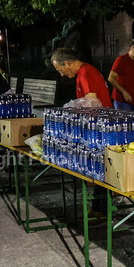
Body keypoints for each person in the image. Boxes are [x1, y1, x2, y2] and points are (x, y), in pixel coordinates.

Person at [50, 48, 112, 222]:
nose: (62, 74)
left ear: (68, 63)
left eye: (61, 70)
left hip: (101, 128)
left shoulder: (85, 73)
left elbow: (92, 103)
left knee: (101, 170)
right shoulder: (84, 73)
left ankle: (103, 211)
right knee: (98, 171)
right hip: (97, 127)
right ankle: (98, 209)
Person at [108, 40, 134, 111]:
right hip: (122, 101)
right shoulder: (121, 60)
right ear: (132, 48)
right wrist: (124, 92)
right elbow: (111, 78)